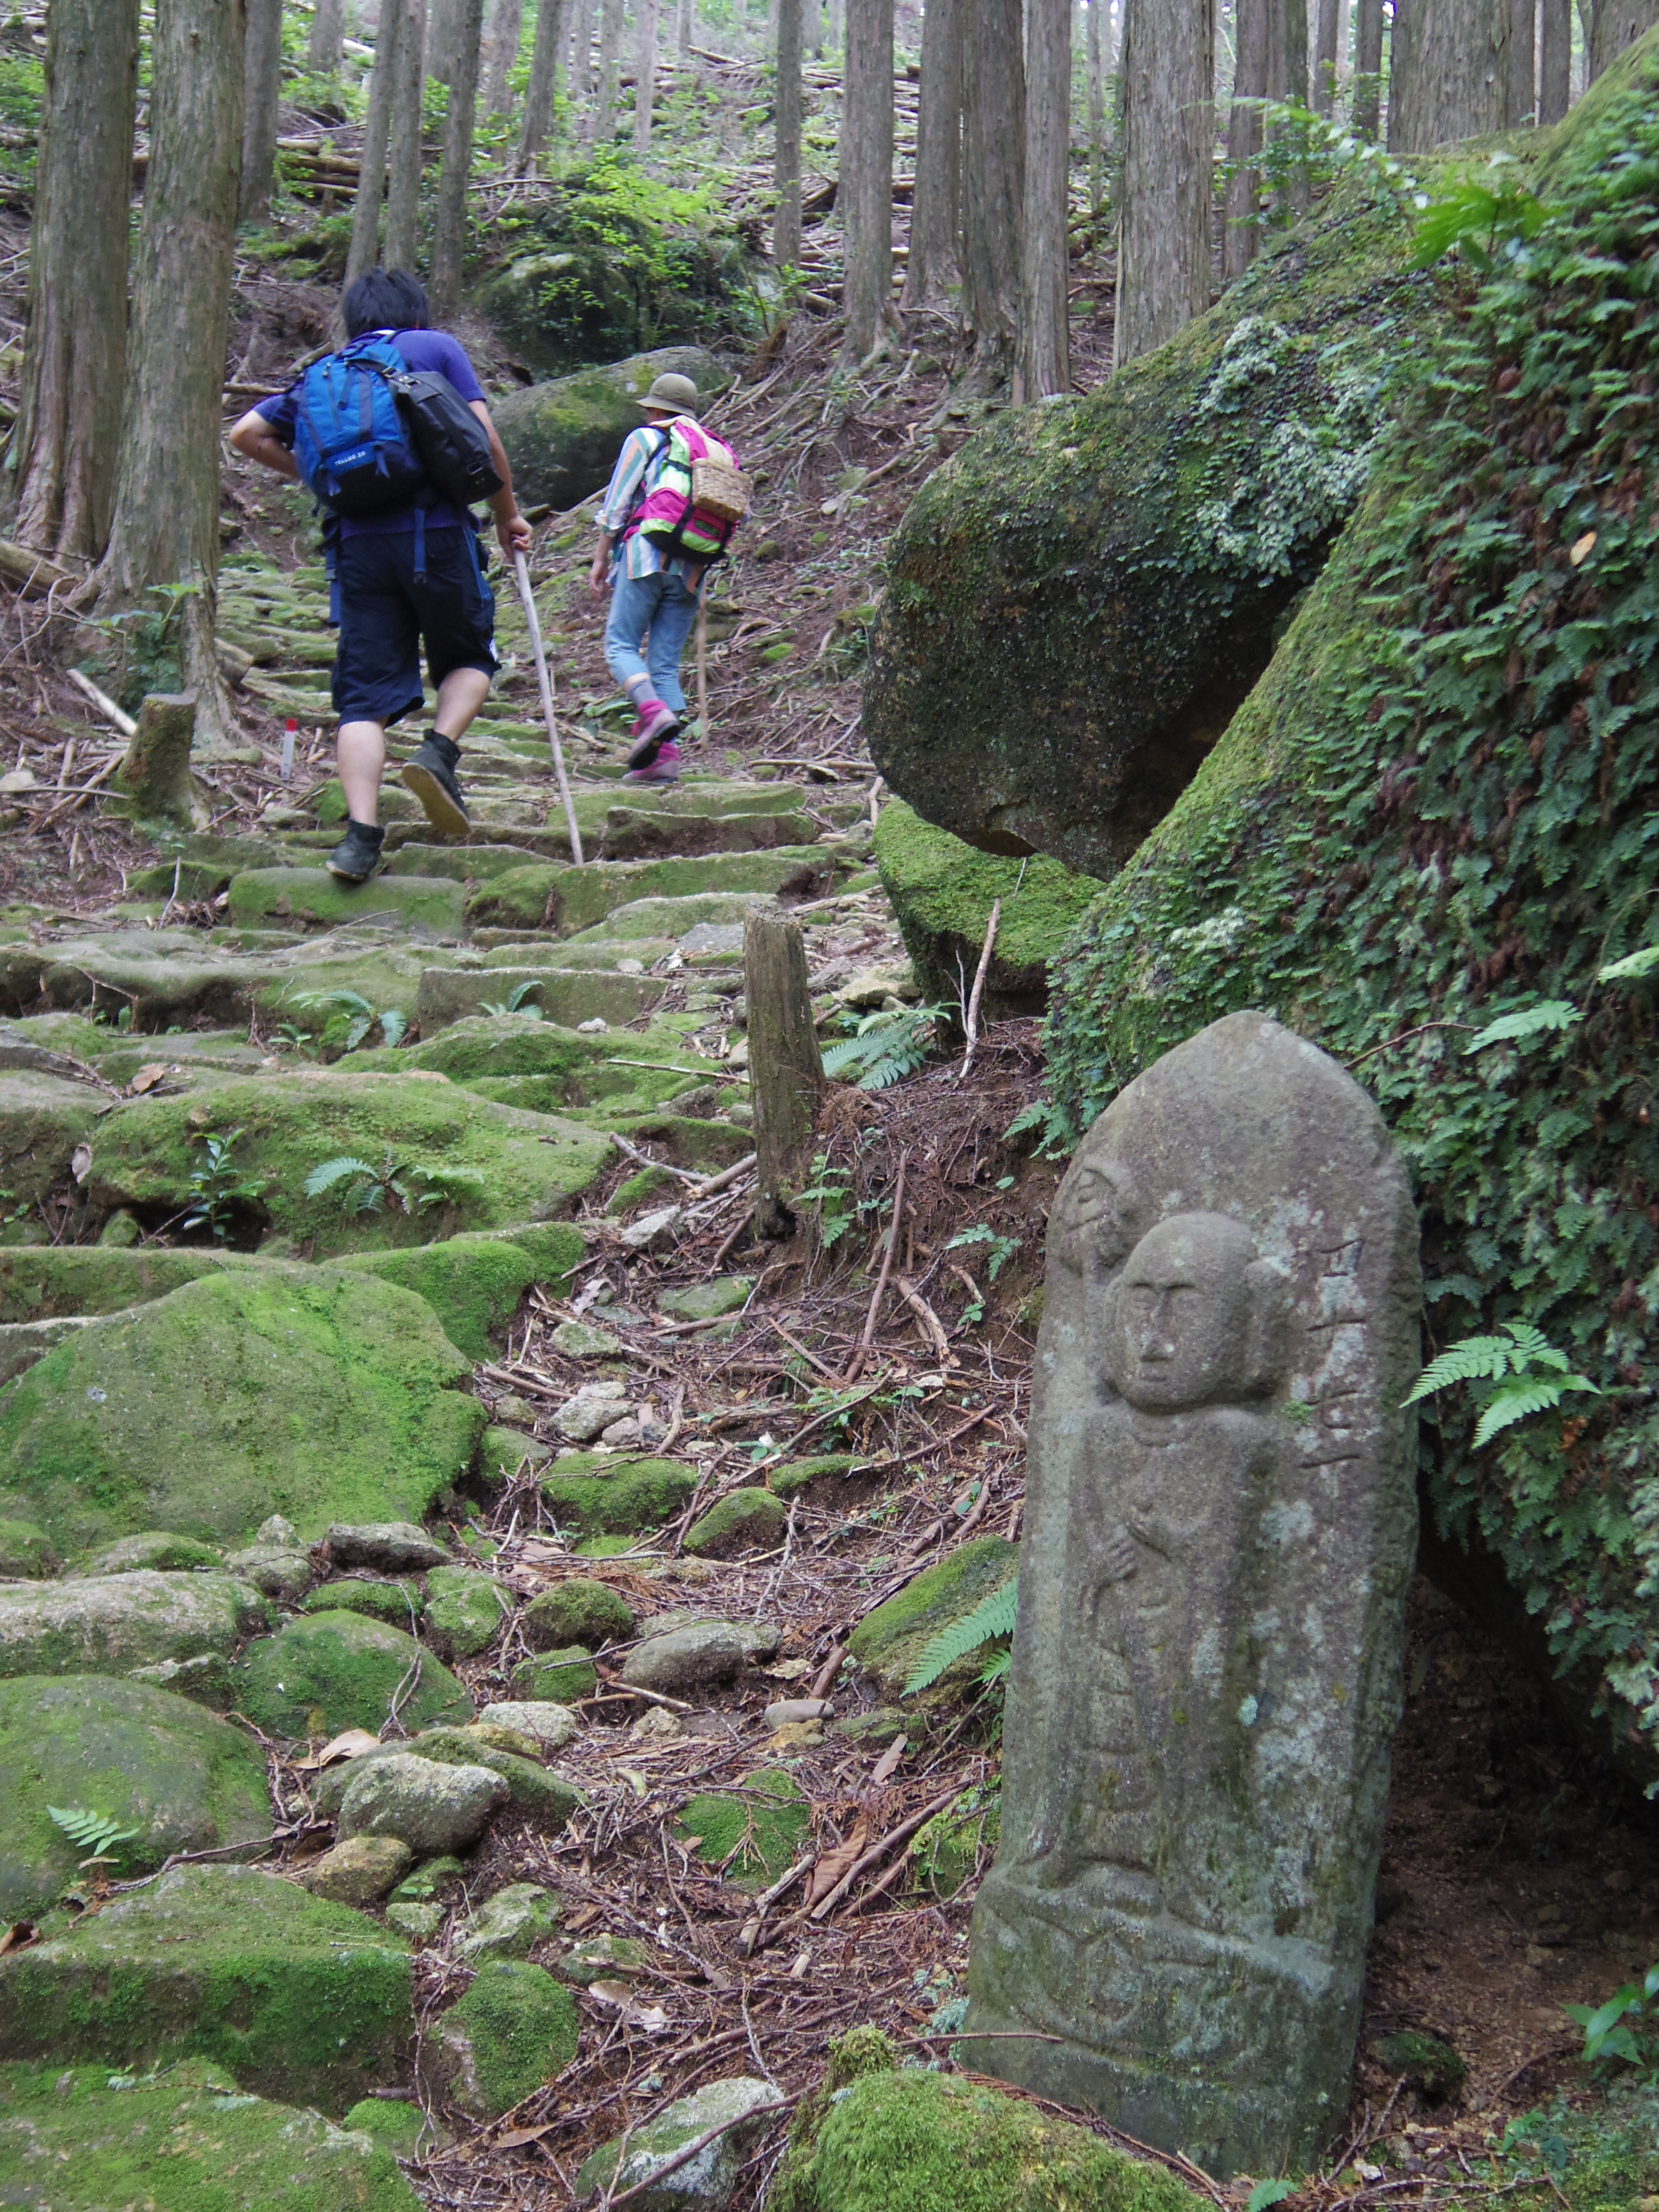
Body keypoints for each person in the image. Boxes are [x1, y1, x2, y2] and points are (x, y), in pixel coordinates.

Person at [228, 267, 532, 882]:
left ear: (354, 318)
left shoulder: (325, 372)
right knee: (471, 657)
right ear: (415, 313)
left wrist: (321, 477)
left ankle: (360, 839)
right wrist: (508, 517)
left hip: (358, 550)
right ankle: (437, 753)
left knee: (361, 701)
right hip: (438, 536)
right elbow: (484, 438)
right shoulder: (433, 348)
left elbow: (246, 434)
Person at [588, 371, 711, 785]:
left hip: (646, 553)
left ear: (657, 409)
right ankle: (666, 760)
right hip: (694, 566)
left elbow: (618, 503)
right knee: (664, 665)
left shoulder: (645, 438)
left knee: (620, 644)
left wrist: (601, 558)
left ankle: (652, 713)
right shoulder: (711, 448)